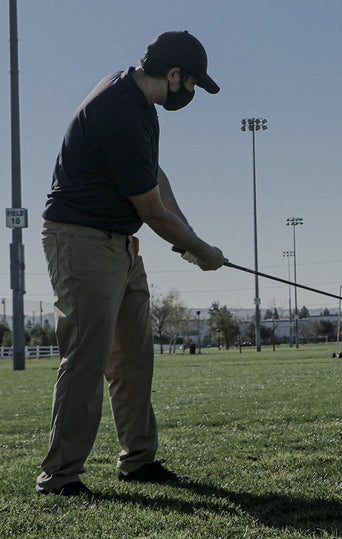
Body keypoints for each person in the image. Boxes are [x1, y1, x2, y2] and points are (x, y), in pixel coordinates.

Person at [35, 31, 226, 497]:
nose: (191, 95)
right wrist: (200, 252)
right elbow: (151, 209)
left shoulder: (139, 104)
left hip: (120, 243)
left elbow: (156, 178)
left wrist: (193, 236)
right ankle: (59, 477)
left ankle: (138, 461)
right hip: (80, 239)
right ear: (174, 74)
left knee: (134, 359)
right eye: (193, 85)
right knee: (86, 358)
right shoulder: (118, 110)